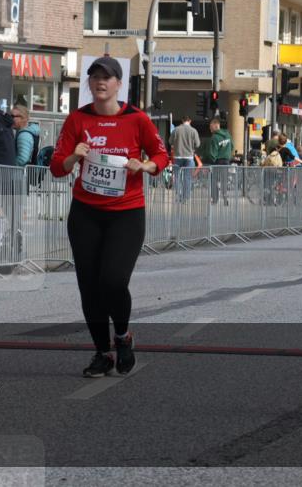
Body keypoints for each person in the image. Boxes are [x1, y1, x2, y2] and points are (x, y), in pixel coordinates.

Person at [50, 56, 169, 378]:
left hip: (126, 214)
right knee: (89, 287)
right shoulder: (77, 120)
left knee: (113, 281)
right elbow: (57, 166)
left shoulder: (137, 119)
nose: (100, 83)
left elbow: (161, 154)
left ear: (119, 84)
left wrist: (144, 166)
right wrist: (75, 155)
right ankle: (102, 353)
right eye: (95, 77)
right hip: (86, 213)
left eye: (107, 77)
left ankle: (123, 336)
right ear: (88, 84)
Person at [169, 116, 200, 201]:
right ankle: (185, 197)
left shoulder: (176, 130)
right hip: (189, 157)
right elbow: (197, 144)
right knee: (187, 178)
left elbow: (170, 141)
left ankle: (178, 196)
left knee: (177, 177)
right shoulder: (194, 131)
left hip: (177, 157)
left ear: (182, 121)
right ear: (190, 121)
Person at [203, 118, 233, 205]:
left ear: (215, 126)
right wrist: (228, 155)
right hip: (226, 161)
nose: (210, 129)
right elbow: (232, 146)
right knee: (224, 180)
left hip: (217, 162)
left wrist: (211, 161)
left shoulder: (214, 137)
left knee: (214, 180)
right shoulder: (227, 134)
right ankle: (225, 197)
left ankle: (215, 199)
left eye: (210, 127)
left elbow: (213, 153)